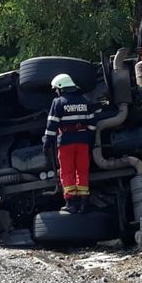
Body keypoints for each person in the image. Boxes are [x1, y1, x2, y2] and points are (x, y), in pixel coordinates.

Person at [43, 73, 97, 213]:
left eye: (57, 89)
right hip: (83, 141)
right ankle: (84, 203)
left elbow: (52, 126)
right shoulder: (85, 101)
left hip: (66, 141)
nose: (56, 92)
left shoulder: (58, 102)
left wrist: (47, 143)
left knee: (67, 172)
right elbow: (92, 125)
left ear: (61, 88)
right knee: (82, 171)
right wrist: (90, 142)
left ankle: (71, 204)